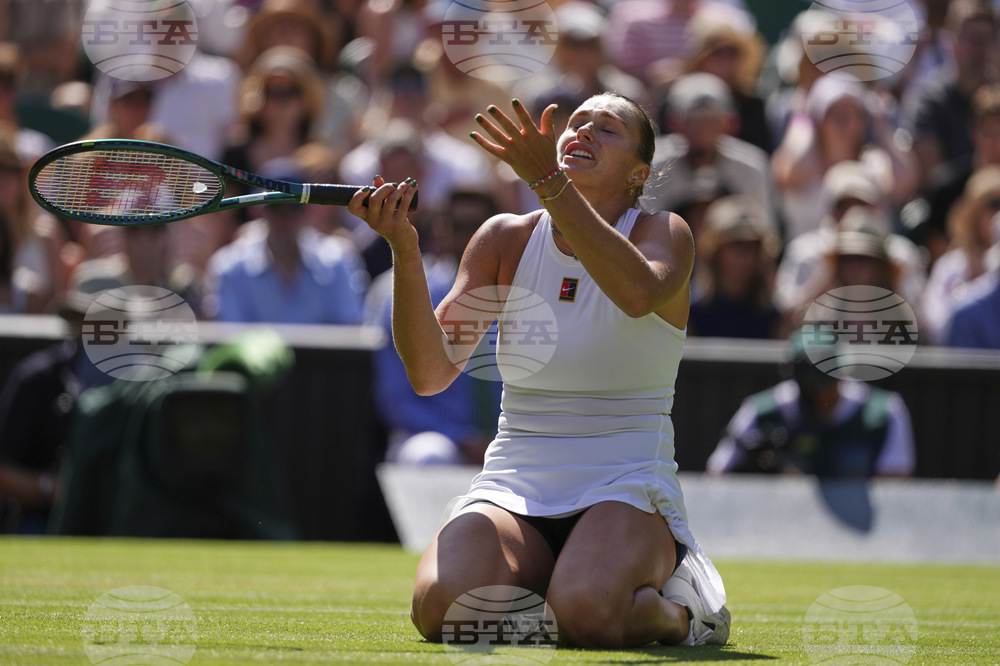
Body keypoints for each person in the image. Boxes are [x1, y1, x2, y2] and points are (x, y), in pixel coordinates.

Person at [347, 94, 729, 648]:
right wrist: (404, 249)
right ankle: (560, 589)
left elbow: (638, 292)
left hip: (623, 484)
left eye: (608, 129)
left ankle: (688, 615)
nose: (584, 132)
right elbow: (430, 372)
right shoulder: (505, 237)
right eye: (576, 124)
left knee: (588, 615)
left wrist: (549, 180)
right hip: (514, 484)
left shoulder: (665, 233)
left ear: (638, 174)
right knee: (441, 610)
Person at [0, 261, 123, 533]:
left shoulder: (141, 386)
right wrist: (50, 488)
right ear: (76, 320)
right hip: (43, 520)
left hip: (120, 522)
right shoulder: (36, 379)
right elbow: (4, 469)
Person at [706, 331, 916, 478]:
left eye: (828, 380)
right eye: (812, 384)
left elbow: (894, 489)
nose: (822, 392)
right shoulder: (760, 412)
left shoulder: (885, 413)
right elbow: (717, 475)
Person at [202, 157, 368, 324]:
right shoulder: (229, 267)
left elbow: (350, 329)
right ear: (258, 211)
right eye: (275, 207)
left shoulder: (338, 260)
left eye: (294, 207)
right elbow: (228, 337)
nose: (285, 217)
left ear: (308, 210)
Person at [649, 72, 774, 226]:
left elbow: (762, 230)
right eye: (695, 122)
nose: (703, 131)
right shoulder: (653, 166)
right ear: (676, 124)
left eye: (711, 122)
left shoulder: (752, 168)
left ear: (728, 124)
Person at [688, 194, 781, 339]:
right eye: (739, 246)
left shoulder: (773, 316)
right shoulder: (690, 312)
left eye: (754, 247)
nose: (748, 257)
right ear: (716, 251)